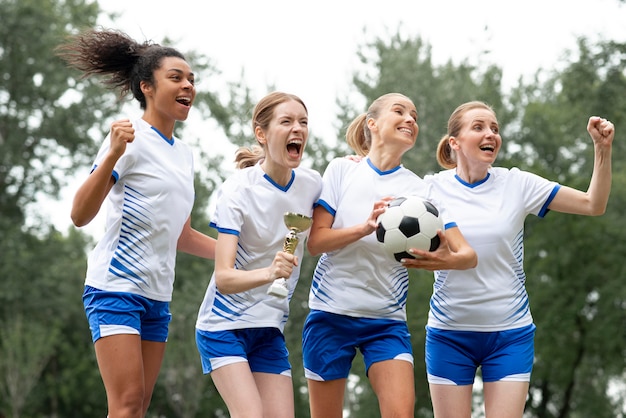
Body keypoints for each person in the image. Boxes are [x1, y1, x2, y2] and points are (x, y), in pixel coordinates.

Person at [56, 29, 216, 418]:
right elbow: (79, 215)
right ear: (146, 87)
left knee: (139, 406)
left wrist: (242, 255)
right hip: (115, 288)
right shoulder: (129, 138)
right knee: (126, 404)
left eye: (191, 79)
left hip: (158, 295)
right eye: (176, 77)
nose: (188, 86)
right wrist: (112, 155)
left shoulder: (185, 155)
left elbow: (182, 234)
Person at [424, 100, 614, 418]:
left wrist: (602, 148)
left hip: (509, 334)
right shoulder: (430, 188)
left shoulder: (517, 183)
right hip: (449, 334)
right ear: (454, 142)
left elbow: (592, 204)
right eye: (479, 127)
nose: (491, 134)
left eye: (495, 128)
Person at [302, 93, 478, 418]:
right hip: (330, 315)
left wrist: (436, 259)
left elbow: (464, 254)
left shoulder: (421, 191)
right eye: (400, 111)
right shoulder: (341, 170)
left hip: (385, 322)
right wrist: (365, 227)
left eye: (414, 115)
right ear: (372, 124)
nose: (411, 119)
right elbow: (316, 242)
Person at [195, 91, 322, 418]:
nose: (298, 129)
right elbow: (223, 278)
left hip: (269, 329)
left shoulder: (312, 185)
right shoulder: (237, 190)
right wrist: (270, 272)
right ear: (262, 134)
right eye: (287, 121)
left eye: (303, 122)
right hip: (223, 327)